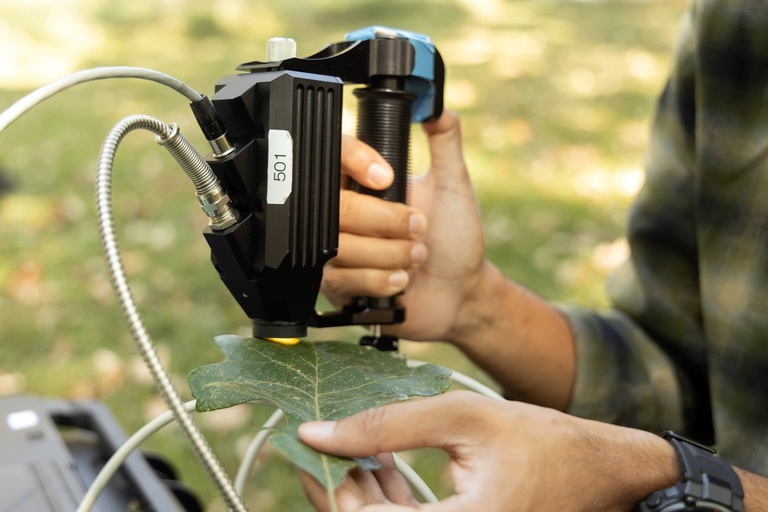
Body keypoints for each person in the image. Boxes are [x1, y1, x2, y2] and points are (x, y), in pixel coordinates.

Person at [298, 0, 768, 510]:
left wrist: (655, 474)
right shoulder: (736, 20)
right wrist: (474, 301)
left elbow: (655, 454)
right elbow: (674, 370)